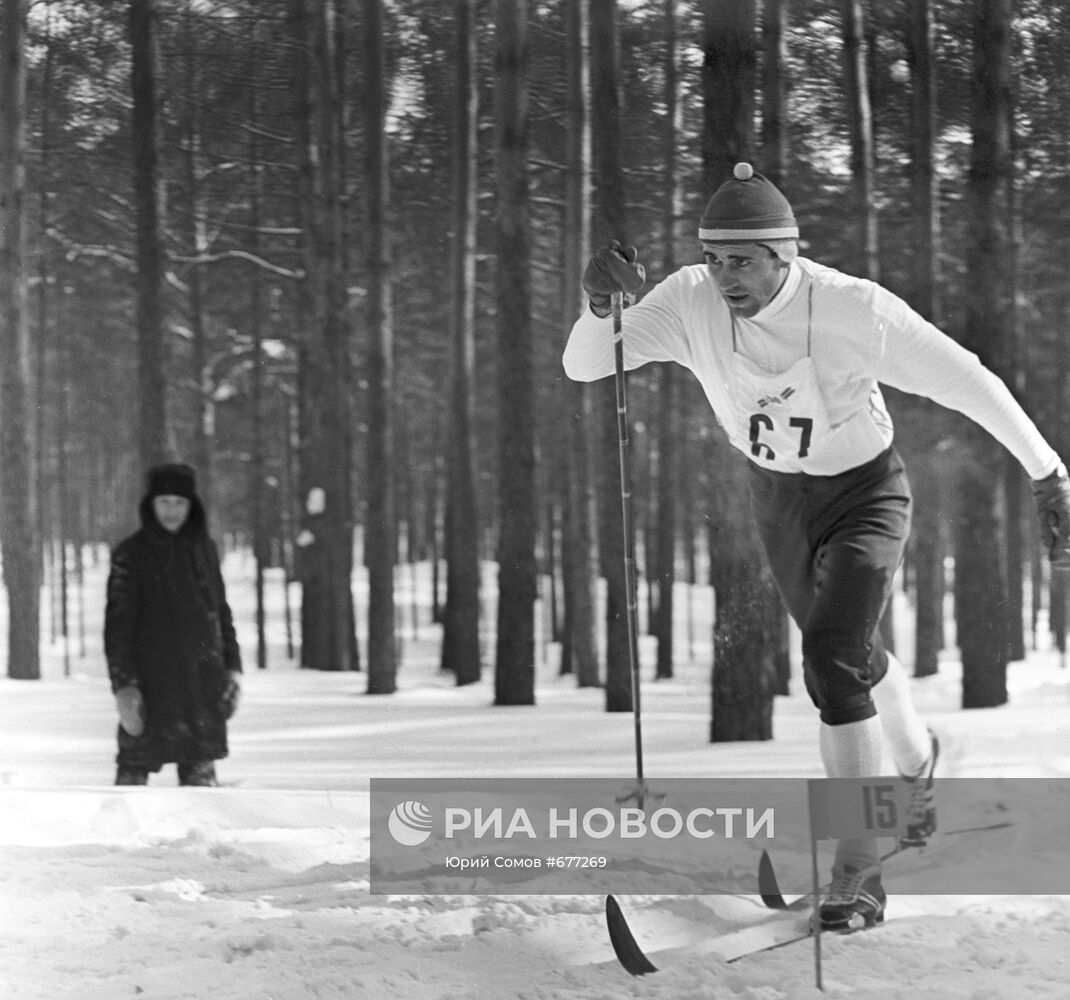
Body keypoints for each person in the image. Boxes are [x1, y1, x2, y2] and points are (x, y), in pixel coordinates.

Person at [563, 163, 1070, 930]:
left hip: (865, 494)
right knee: (853, 658)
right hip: (779, 501)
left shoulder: (851, 309)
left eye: (742, 259)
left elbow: (968, 381)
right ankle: (917, 764)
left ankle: (858, 872)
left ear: (785, 254)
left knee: (831, 659)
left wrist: (1047, 474)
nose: (724, 275)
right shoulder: (689, 299)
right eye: (713, 257)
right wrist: (601, 305)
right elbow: (586, 363)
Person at [105, 463, 243, 787]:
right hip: (150, 691)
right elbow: (117, 631)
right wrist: (125, 687)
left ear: (191, 506)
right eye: (164, 501)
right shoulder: (130, 554)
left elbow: (220, 613)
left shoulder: (204, 549)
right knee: (129, 794)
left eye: (180, 502)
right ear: (151, 505)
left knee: (203, 801)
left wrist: (233, 669)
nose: (172, 510)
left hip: (201, 691)